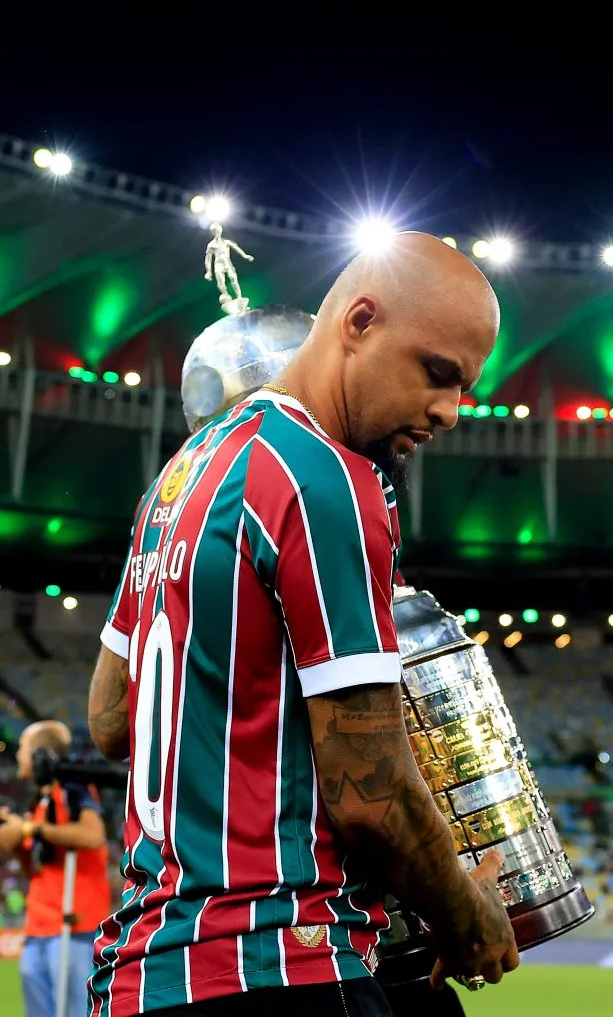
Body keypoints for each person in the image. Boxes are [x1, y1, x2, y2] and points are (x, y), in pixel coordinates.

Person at [87, 231, 519, 1017]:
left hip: (142, 973)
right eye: (437, 373)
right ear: (358, 322)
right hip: (281, 957)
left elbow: (111, 720)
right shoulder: (325, 477)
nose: (452, 411)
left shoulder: (177, 481)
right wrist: (468, 913)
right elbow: (371, 793)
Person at [0, 720, 109, 1017]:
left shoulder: (73, 787)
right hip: (38, 926)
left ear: (38, 753)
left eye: (22, 748)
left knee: (74, 1011)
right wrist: (17, 838)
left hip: (74, 927)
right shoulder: (39, 800)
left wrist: (27, 829)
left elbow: (92, 835)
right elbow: (37, 868)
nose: (18, 755)